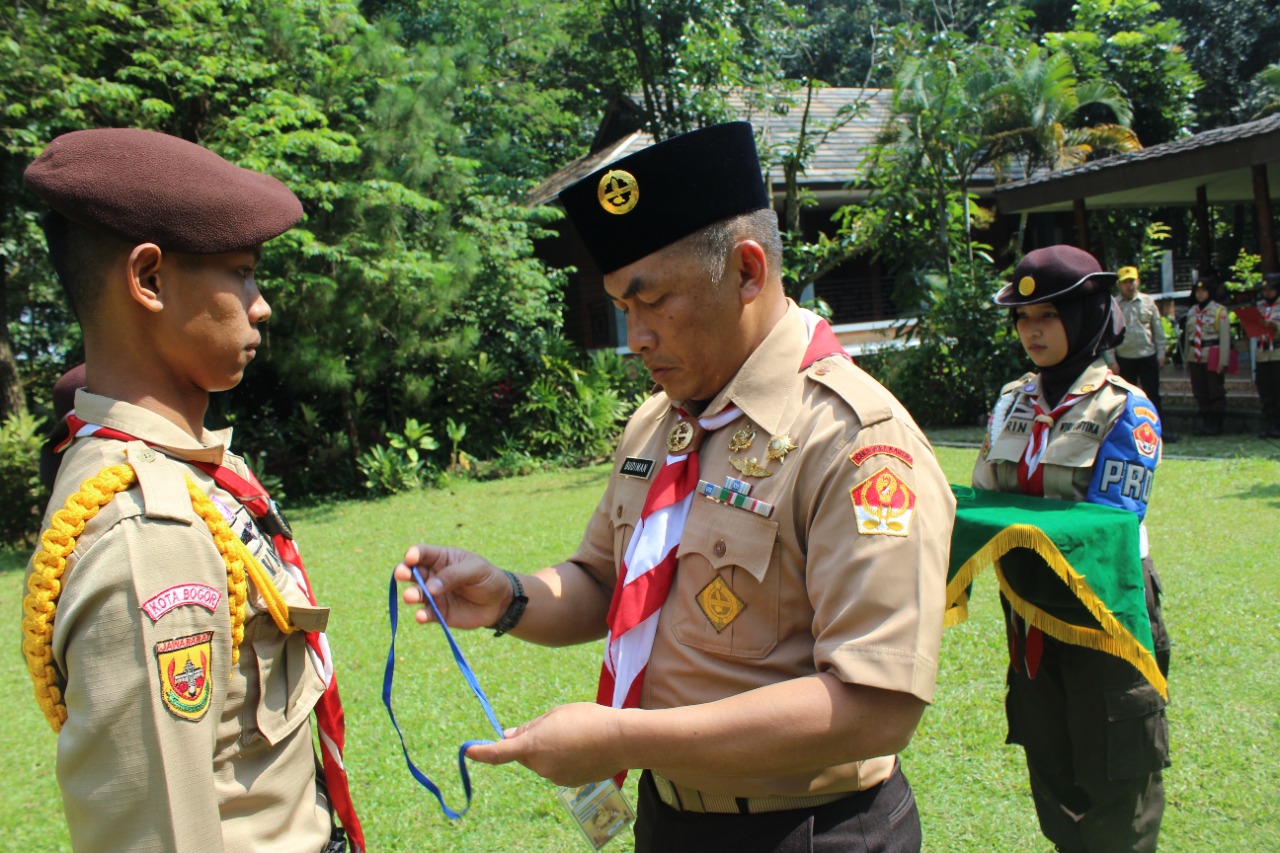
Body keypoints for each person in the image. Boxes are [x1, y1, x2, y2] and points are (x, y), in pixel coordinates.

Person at [394, 121, 954, 852]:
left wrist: (623, 735)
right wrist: (509, 595)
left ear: (748, 272)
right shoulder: (661, 423)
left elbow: (876, 707)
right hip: (671, 819)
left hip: (810, 832)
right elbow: (607, 580)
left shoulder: (853, 440)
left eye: (653, 300)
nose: (637, 338)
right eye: (625, 308)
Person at [19, 128, 363, 852]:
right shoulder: (151, 532)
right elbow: (160, 831)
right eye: (240, 271)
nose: (260, 303)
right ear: (147, 279)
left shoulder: (176, 473)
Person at [973, 245, 1171, 853]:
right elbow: (981, 497)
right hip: (1029, 614)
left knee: (1117, 777)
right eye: (1022, 318)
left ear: (1087, 317)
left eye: (1048, 316)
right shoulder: (1011, 402)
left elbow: (1107, 525)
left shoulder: (1126, 409)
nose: (1031, 331)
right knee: (1052, 768)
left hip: (1105, 611)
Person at [1107, 265, 1178, 442]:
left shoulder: (1148, 302)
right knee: (1126, 399)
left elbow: (1158, 330)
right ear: (1119, 285)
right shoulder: (1114, 305)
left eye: (1132, 281)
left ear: (1137, 282)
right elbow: (1109, 334)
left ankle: (1158, 432)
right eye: (1125, 282)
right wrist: (1111, 359)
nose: (1129, 285)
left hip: (1147, 355)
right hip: (1124, 358)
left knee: (1153, 395)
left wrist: (1162, 353)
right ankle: (1128, 434)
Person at [1181, 277, 1232, 435]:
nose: (1201, 294)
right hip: (1195, 356)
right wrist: (1187, 360)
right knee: (1200, 390)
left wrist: (1223, 361)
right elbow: (1188, 337)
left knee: (1215, 389)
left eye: (1204, 291)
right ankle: (1205, 422)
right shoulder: (1192, 311)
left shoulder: (1219, 311)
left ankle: (1216, 424)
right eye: (1198, 291)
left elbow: (1225, 338)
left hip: (1212, 354)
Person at [1254, 274, 1280, 439]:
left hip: (1278, 353)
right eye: (1264, 290)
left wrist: (1274, 325)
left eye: (1270, 289)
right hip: (1263, 353)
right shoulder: (1259, 306)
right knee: (1266, 390)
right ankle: (1270, 424)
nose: (1267, 293)